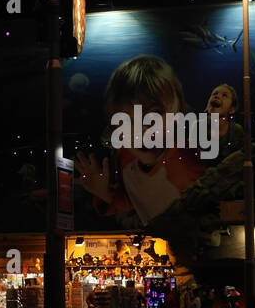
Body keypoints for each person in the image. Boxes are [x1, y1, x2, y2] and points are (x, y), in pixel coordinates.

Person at [74, 56, 206, 226]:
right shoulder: (126, 156)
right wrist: (103, 192)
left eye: (155, 114)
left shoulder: (185, 155)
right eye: (129, 121)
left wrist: (152, 163)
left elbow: (196, 197)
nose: (142, 129)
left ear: (177, 111)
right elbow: (135, 198)